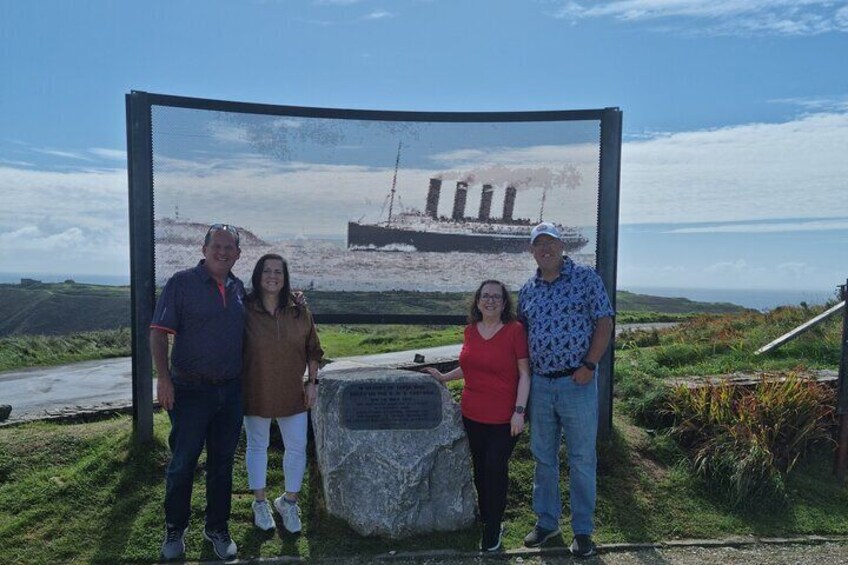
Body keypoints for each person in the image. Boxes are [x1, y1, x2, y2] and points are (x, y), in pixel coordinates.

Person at [150, 223, 245, 562]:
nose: (222, 252)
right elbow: (159, 334)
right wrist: (163, 379)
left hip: (231, 393)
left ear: (237, 254)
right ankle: (175, 528)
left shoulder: (238, 287)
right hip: (190, 391)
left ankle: (217, 528)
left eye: (229, 248)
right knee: (183, 463)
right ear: (204, 249)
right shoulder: (182, 283)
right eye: (216, 246)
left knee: (222, 464)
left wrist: (295, 300)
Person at [518, 222, 614, 558]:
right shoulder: (528, 290)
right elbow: (522, 337)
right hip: (542, 384)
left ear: (562, 246)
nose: (545, 249)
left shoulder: (585, 279)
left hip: (578, 383)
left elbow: (604, 322)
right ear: (532, 251)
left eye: (551, 243)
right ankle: (547, 522)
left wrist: (589, 366)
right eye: (539, 244)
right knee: (543, 458)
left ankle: (583, 531)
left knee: (582, 459)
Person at [423, 279, 530, 552]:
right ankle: (487, 518)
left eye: (496, 296)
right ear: (478, 301)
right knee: (481, 470)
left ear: (504, 303)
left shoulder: (515, 331)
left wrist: (519, 411)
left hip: (504, 418)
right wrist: (444, 376)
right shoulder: (470, 331)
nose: (490, 300)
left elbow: (525, 374)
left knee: (495, 469)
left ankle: (494, 525)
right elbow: (470, 367)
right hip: (472, 415)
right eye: (485, 296)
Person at [241, 253, 323, 534]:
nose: (272, 276)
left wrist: (312, 383)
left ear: (285, 278)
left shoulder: (300, 311)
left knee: (297, 446)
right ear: (257, 275)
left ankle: (288, 502)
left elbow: (314, 350)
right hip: (255, 391)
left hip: (292, 392)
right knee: (256, 446)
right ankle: (260, 502)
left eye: (278, 271)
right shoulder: (245, 308)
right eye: (267, 271)